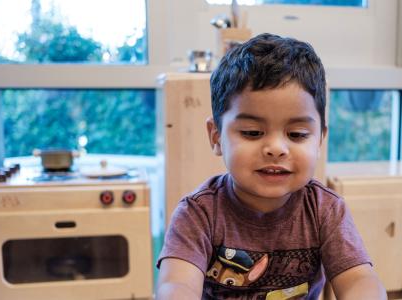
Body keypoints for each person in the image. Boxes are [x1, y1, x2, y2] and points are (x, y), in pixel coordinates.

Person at [156, 33, 387, 299]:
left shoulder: (325, 210)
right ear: (216, 136)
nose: (276, 148)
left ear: (320, 138)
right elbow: (177, 285)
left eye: (297, 135)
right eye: (253, 133)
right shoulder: (198, 214)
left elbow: (360, 279)